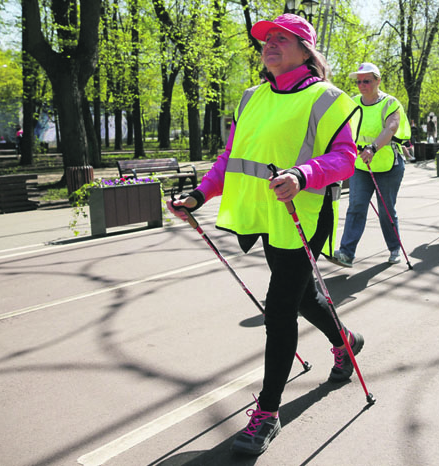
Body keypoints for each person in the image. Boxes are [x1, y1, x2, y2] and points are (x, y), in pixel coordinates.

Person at [167, 14, 363, 455]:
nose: (269, 45)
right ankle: (346, 342)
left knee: (279, 309)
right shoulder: (252, 97)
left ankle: (268, 413)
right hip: (264, 215)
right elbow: (232, 158)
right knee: (302, 296)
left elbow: (345, 158)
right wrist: (199, 196)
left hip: (303, 214)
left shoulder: (327, 98)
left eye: (281, 39)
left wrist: (303, 173)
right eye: (265, 40)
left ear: (305, 50)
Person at [329, 62, 410, 267]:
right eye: (359, 81)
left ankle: (394, 248)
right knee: (356, 207)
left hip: (388, 165)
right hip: (361, 166)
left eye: (367, 81)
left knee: (386, 210)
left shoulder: (390, 103)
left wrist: (372, 148)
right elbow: (342, 128)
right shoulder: (352, 102)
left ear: (378, 81)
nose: (362, 85)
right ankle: (347, 253)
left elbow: (391, 128)